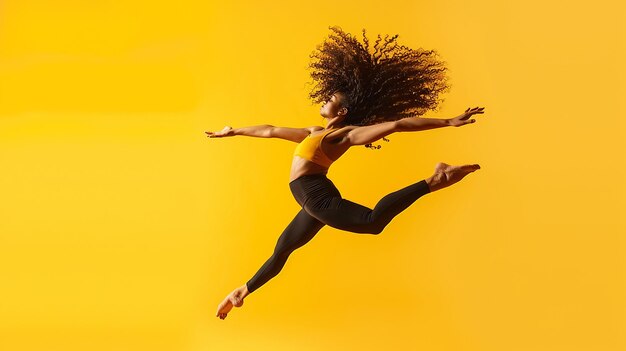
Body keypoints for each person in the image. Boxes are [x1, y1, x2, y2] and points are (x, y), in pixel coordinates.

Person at [205, 26, 486, 320]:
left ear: (341, 113)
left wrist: (448, 122)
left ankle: (435, 179)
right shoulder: (313, 132)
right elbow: (271, 130)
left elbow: (397, 125)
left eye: (331, 99)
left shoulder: (344, 135)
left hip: (317, 197)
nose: (325, 100)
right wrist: (233, 130)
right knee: (283, 249)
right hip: (313, 198)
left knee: (372, 222)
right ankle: (243, 291)